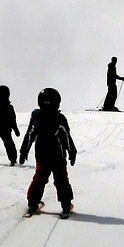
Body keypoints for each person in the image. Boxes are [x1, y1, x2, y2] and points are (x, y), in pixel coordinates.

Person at [18, 87, 77, 216]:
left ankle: (33, 204)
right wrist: (72, 152)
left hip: (42, 156)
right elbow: (66, 137)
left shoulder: (36, 118)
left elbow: (29, 135)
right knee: (61, 180)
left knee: (39, 179)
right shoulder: (60, 118)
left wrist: (24, 152)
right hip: (58, 157)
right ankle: (66, 206)